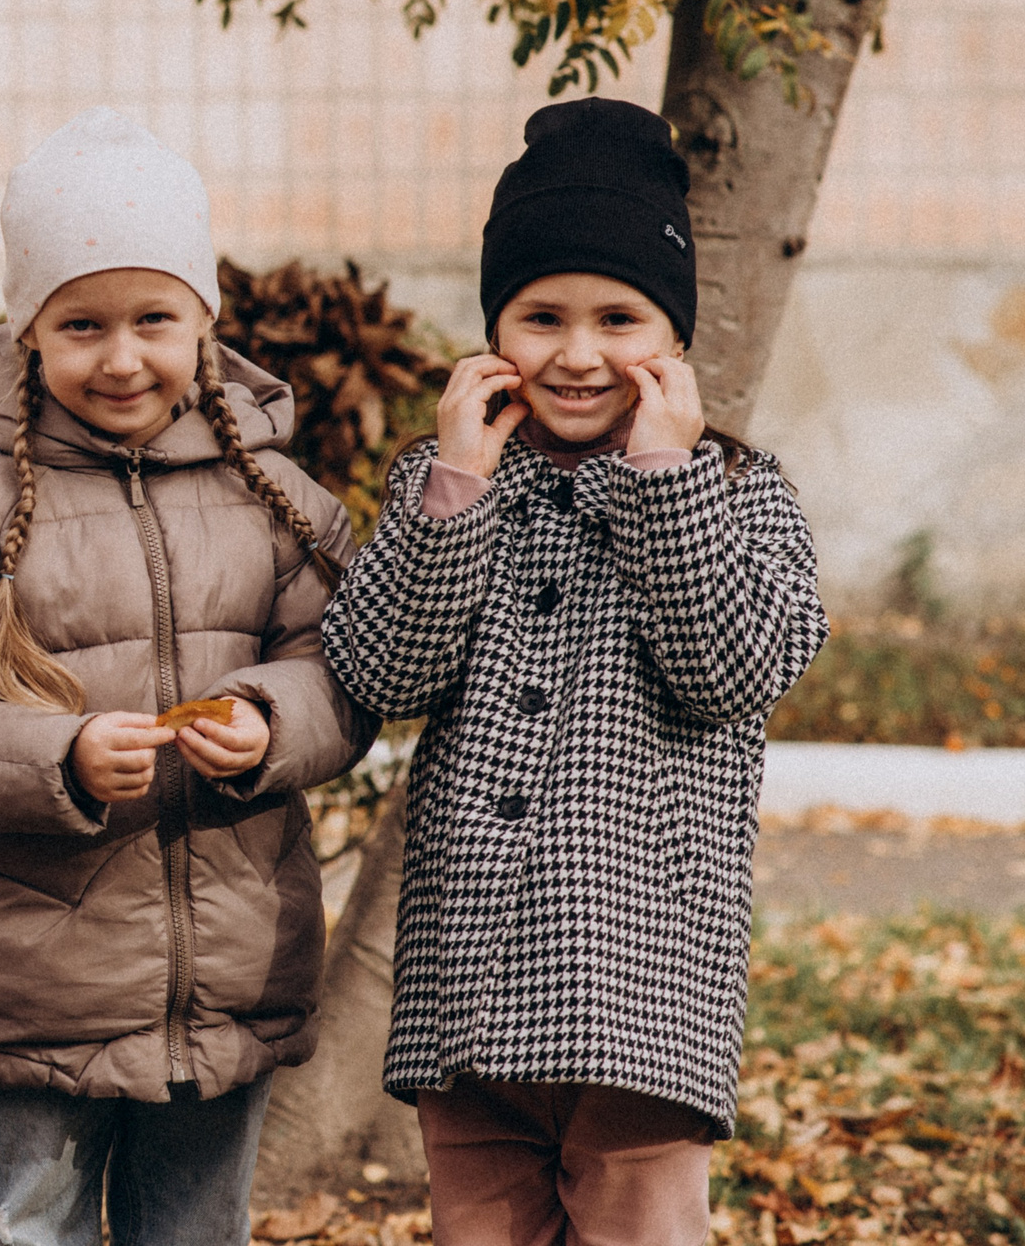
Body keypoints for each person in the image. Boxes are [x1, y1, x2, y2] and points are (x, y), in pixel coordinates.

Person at [0, 109, 375, 1246]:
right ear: (28, 331)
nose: (121, 354)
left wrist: (272, 718)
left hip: (229, 974)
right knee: (21, 1229)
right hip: (31, 982)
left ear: (204, 321)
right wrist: (59, 755)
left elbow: (345, 665)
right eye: (81, 323)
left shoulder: (273, 498)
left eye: (153, 318)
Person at [322, 99, 828, 1246]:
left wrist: (661, 484)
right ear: (495, 326)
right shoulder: (448, 481)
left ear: (675, 338)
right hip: (467, 989)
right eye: (540, 314)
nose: (580, 351)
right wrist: (451, 491)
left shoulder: (738, 494)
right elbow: (377, 667)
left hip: (641, 992)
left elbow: (733, 670)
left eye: (619, 316)